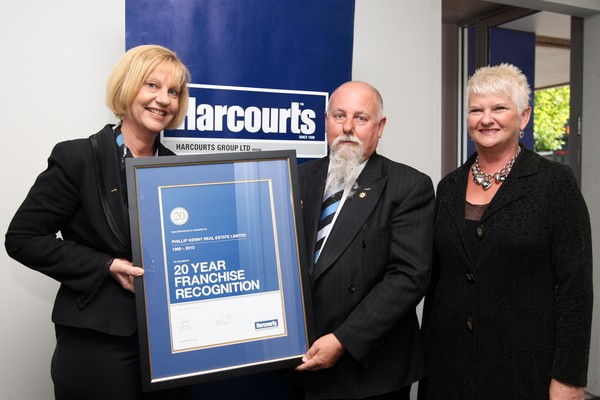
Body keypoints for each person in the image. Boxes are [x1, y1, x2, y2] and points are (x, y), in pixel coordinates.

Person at [5, 44, 192, 400]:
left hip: (171, 344)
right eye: (151, 85)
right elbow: (23, 238)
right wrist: (106, 265)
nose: (164, 100)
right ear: (127, 87)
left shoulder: (178, 168)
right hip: (99, 343)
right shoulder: (78, 158)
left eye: (173, 91)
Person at [418, 63, 593, 400]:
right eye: (476, 110)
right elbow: (438, 280)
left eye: (499, 108)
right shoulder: (449, 186)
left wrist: (569, 378)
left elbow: (576, 290)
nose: (486, 119)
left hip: (524, 371)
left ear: (524, 117)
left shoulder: (555, 184)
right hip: (448, 367)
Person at [295, 81, 435, 399]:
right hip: (305, 362)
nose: (347, 127)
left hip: (370, 371)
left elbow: (408, 277)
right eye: (339, 115)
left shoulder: (409, 186)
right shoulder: (299, 179)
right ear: (325, 120)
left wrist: (344, 340)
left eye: (360, 118)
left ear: (380, 126)